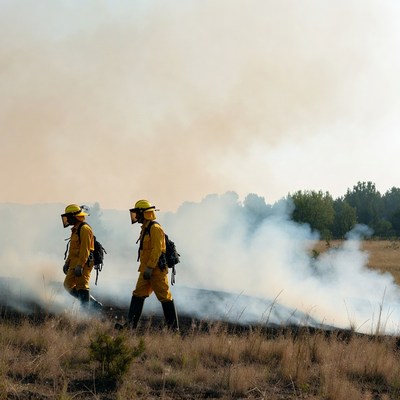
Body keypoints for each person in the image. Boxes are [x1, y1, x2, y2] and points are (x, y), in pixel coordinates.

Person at [117, 199, 178, 330]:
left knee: (165, 297)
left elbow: (158, 249)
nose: (135, 216)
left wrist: (150, 267)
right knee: (138, 294)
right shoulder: (145, 228)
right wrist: (147, 268)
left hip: (156, 271)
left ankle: (174, 330)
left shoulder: (155, 228)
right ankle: (130, 327)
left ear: (144, 213)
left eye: (137, 213)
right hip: (146, 270)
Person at [61, 204, 102, 311]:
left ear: (75, 216)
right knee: (68, 285)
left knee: (82, 287)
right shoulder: (75, 229)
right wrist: (67, 262)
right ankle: (92, 303)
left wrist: (80, 265)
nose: (67, 219)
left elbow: (86, 250)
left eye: (69, 217)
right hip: (75, 263)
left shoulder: (84, 229)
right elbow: (72, 250)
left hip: (83, 263)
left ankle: (85, 313)